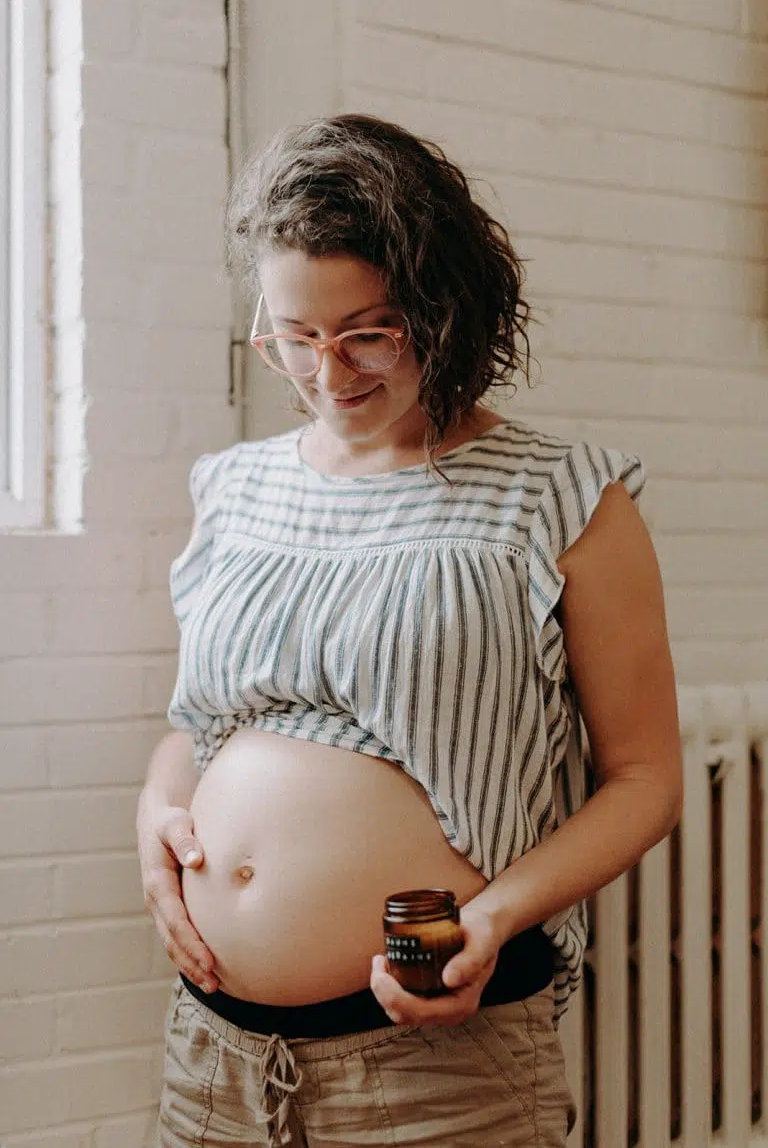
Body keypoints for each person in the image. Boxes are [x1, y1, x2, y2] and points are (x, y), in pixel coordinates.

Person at [137, 114, 683, 1147]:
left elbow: (647, 776)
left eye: (368, 332)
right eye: (294, 337)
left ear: (446, 308)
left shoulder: (562, 496)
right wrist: (155, 816)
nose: (328, 370)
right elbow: (199, 729)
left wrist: (494, 915)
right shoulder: (234, 486)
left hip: (438, 1073)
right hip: (212, 1057)